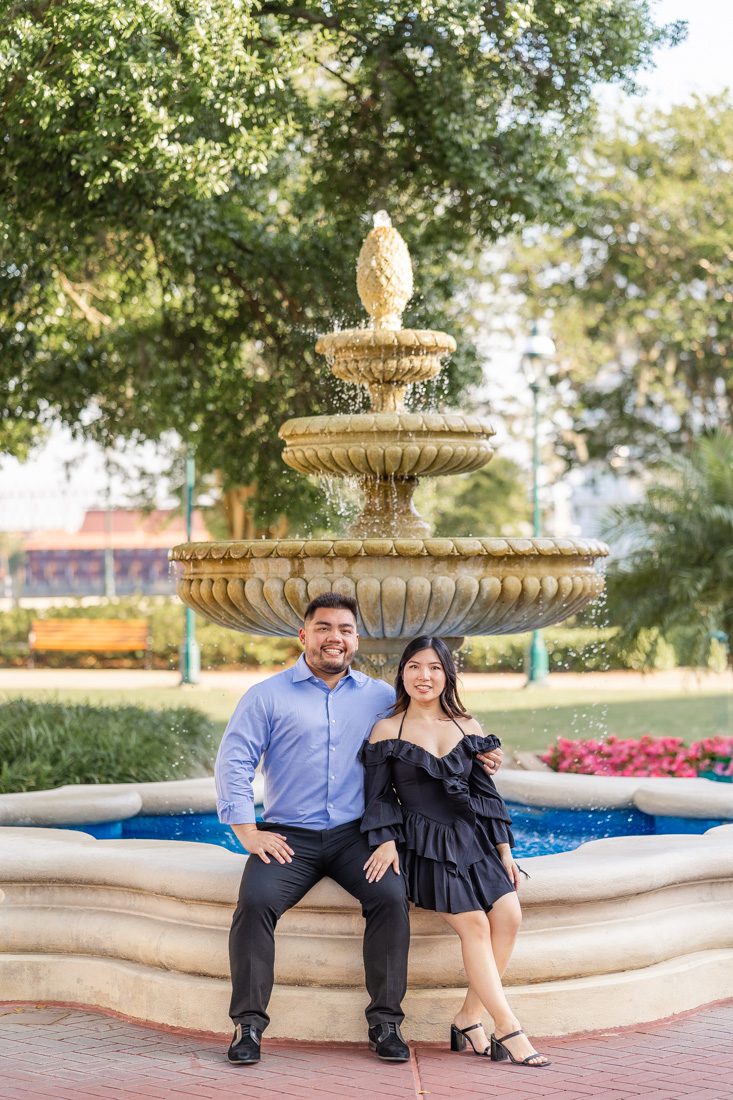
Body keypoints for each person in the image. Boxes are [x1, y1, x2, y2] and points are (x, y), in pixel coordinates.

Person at [215, 592, 507, 1066]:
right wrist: (246, 831)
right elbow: (234, 762)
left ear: (356, 640)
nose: (335, 637)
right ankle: (248, 1025)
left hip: (358, 835)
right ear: (303, 635)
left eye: (345, 630)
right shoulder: (266, 696)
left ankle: (386, 1022)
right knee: (254, 902)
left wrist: (481, 753)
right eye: (325, 628)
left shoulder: (379, 697)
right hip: (290, 836)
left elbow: (436, 722)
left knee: (392, 897)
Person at [361, 635, 550, 1068]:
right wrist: (386, 840)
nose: (423, 676)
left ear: (447, 675)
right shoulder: (388, 729)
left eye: (433, 668)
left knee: (509, 915)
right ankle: (508, 1027)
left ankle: (468, 1017)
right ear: (402, 673)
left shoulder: (467, 724)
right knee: (474, 925)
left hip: (473, 838)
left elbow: (486, 792)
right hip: (423, 842)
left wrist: (504, 848)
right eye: (414, 667)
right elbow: (377, 797)